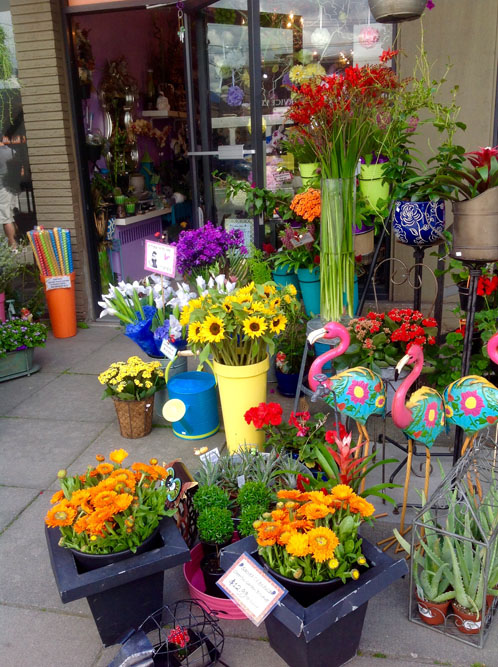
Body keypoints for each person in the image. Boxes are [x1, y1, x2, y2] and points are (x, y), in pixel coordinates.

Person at [0, 134, 20, 248]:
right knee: (12, 216)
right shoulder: (12, 151)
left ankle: (13, 246)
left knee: (5, 218)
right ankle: (19, 241)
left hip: (2, 188)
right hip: (12, 187)